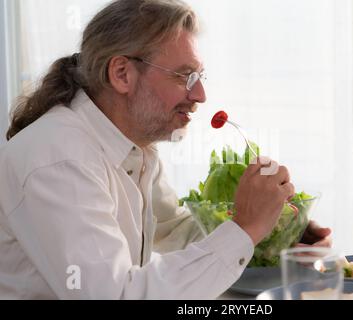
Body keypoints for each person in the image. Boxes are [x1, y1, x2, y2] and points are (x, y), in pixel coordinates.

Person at [0, 0, 331, 299]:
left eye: (199, 76)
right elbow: (113, 295)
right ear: (121, 74)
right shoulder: (60, 159)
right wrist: (245, 228)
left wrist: (276, 232)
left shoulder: (133, 147)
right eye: (184, 77)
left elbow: (175, 230)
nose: (200, 94)